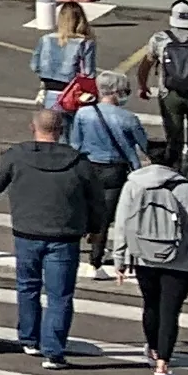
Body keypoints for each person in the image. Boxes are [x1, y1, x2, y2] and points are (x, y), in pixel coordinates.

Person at [0, 109, 95, 367]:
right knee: (60, 295)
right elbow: (95, 199)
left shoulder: (17, 155)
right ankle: (53, 350)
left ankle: (29, 339)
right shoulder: (78, 161)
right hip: (64, 236)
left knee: (28, 286)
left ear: (33, 128)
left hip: (27, 232)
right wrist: (95, 227)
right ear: (62, 131)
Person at [114, 152, 188, 375]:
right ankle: (163, 365)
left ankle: (153, 349)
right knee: (170, 311)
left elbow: (122, 223)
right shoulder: (187, 188)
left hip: (144, 255)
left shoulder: (133, 185)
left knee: (151, 305)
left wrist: (120, 259)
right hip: (181, 259)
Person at [117, 4, 188, 162]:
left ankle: (174, 171)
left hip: (169, 95)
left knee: (174, 138)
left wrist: (143, 86)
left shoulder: (159, 39)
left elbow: (145, 66)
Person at [68, 82, 149, 276]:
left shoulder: (83, 114)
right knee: (104, 218)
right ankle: (95, 261)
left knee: (83, 209)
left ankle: (78, 246)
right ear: (117, 93)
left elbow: (75, 144)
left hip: (88, 167)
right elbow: (145, 145)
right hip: (115, 170)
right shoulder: (128, 118)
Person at [32, 1, 97, 110]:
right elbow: (88, 73)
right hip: (71, 94)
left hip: (49, 92)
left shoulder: (45, 39)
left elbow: (35, 66)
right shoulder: (85, 43)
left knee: (50, 124)